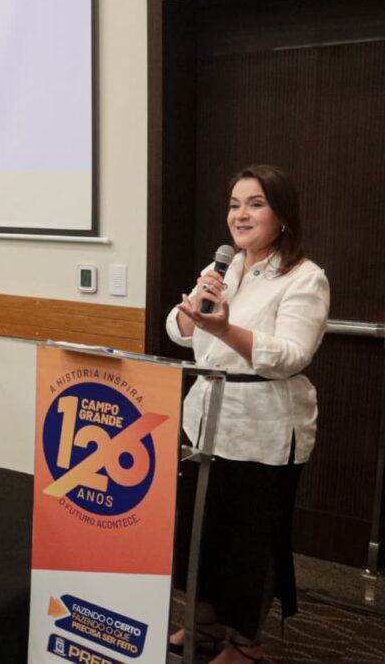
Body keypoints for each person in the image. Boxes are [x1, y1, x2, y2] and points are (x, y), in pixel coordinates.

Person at [165, 165, 330, 664]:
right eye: (235, 204)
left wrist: (223, 329)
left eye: (255, 204)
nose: (240, 215)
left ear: (282, 215)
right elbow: (179, 330)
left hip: (265, 429)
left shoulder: (305, 277)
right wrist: (195, 311)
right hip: (206, 422)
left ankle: (245, 642)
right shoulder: (225, 268)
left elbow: (291, 354)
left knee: (249, 542)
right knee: (202, 528)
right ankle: (205, 621)